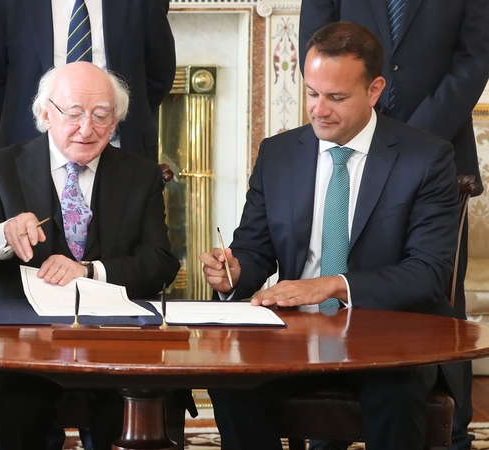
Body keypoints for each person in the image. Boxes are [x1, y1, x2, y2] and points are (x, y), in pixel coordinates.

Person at [199, 22, 461, 450]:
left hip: (389, 336)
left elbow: (428, 273)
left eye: (336, 98)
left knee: (395, 394)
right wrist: (233, 273)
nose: (318, 110)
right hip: (295, 333)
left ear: (374, 90)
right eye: (311, 93)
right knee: (232, 382)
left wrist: (332, 285)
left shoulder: (426, 158)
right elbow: (254, 251)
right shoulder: (279, 154)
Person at [0, 61, 184, 450]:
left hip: (116, 342)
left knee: (130, 411)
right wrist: (3, 235)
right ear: (46, 114)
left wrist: (89, 271)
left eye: (101, 116)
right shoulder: (3, 166)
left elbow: (161, 264)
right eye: (74, 114)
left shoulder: (140, 175)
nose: (87, 129)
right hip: (25, 345)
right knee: (19, 410)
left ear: (115, 121)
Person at [298, 2, 489, 447]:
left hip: (437, 147)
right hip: (347, 137)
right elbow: (317, 41)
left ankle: (451, 430)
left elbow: (475, 57)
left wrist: (404, 143)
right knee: (337, 264)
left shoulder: (427, 156)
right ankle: (326, 424)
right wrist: (358, 119)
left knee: (436, 289)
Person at [0, 0, 175, 162]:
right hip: (27, 148)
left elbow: (159, 72)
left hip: (122, 149)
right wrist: (36, 118)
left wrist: (112, 117)